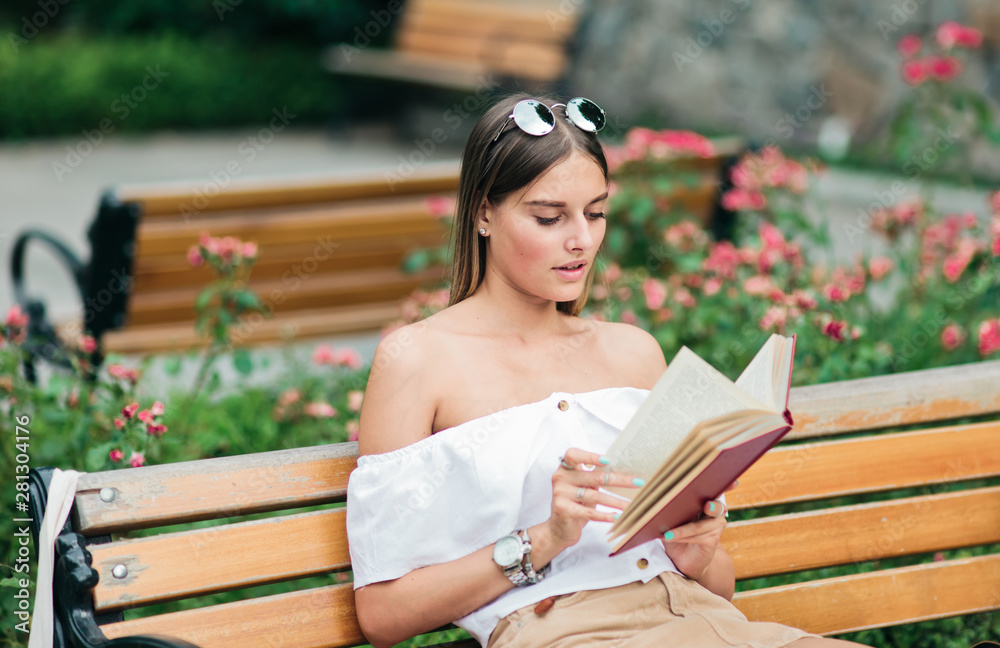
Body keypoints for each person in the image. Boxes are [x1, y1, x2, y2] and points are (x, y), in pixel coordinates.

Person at [346, 94, 869, 648]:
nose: (582, 240)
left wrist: (698, 553)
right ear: (482, 213)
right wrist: (541, 541)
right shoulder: (420, 359)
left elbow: (719, 587)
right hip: (565, 632)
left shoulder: (633, 354)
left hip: (702, 621)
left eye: (595, 213)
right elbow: (383, 614)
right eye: (549, 217)